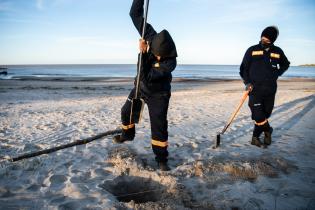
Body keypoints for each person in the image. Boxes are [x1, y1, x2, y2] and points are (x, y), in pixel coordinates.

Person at [113, 0, 177, 171]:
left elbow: (146, 75)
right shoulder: (152, 36)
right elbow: (135, 14)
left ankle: (161, 159)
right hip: (140, 88)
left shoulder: (169, 64)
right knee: (126, 112)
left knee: (159, 126)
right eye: (153, 53)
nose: (155, 57)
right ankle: (127, 134)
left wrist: (142, 53)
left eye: (158, 56)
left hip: (159, 94)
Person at [240, 26, 290, 147]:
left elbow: (286, 64)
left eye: (267, 39)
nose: (264, 40)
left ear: (272, 40)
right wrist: (247, 83)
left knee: (265, 114)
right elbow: (243, 69)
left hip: (270, 89)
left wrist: (277, 73)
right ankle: (268, 130)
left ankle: (255, 138)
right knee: (257, 114)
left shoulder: (278, 51)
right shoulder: (252, 50)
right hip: (255, 89)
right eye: (263, 37)